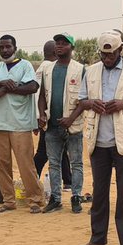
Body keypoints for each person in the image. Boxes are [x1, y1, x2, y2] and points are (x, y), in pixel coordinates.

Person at [68, 30, 123, 245]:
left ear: (120, 51)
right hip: (98, 141)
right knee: (99, 192)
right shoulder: (92, 71)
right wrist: (91, 103)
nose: (107, 59)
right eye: (103, 55)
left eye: (111, 55)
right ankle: (98, 238)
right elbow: (82, 100)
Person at [0, 34, 46, 214]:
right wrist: (1, 83)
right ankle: (8, 201)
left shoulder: (25, 66)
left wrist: (3, 91)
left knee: (26, 164)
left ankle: (35, 200)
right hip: (0, 123)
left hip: (20, 124)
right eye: (1, 47)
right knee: (2, 164)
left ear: (15, 48)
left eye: (8, 47)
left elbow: (32, 87)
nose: (4, 50)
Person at [37, 33, 87, 213]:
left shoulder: (80, 69)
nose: (59, 46)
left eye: (64, 44)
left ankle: (76, 197)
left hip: (73, 126)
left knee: (76, 163)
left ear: (72, 48)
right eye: (57, 43)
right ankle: (56, 199)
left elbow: (85, 99)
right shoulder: (48, 69)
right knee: (54, 163)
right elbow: (42, 95)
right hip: (52, 125)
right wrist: (42, 114)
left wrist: (71, 119)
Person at [33, 40, 57, 180]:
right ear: (55, 52)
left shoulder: (40, 69)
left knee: (61, 149)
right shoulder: (51, 68)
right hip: (46, 117)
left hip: (39, 115)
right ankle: (32, 177)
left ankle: (68, 180)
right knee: (43, 152)